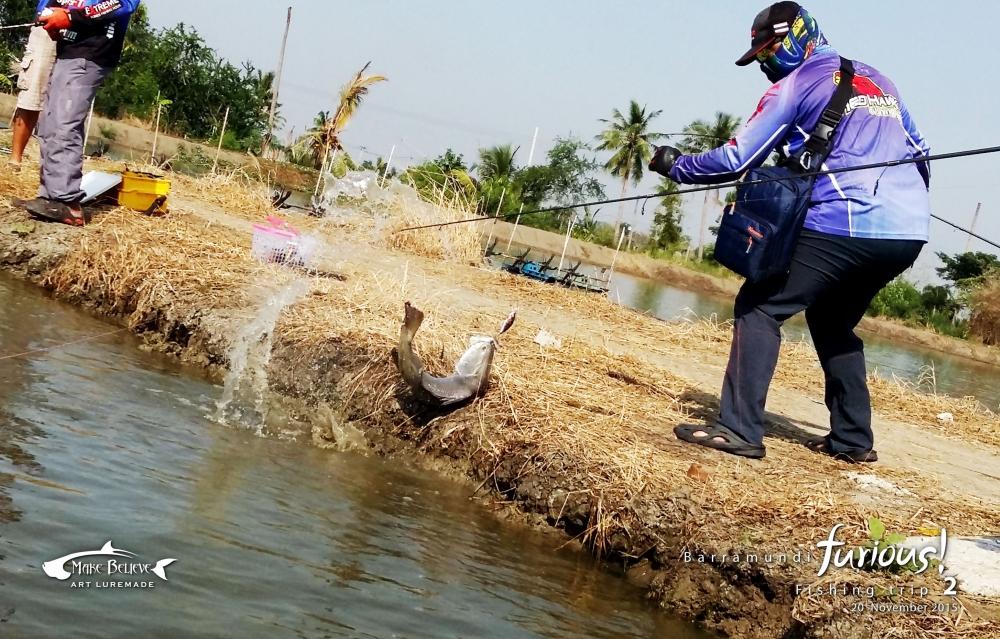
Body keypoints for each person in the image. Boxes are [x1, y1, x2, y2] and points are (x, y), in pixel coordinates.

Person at [648, 2, 931, 462]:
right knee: (832, 318)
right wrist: (901, 208)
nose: (765, 61)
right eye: (760, 55)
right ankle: (853, 440)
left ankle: (737, 429)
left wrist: (675, 165)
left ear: (799, 35)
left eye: (770, 48)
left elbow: (737, 159)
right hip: (908, 231)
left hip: (845, 222)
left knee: (759, 305)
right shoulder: (880, 80)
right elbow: (921, 151)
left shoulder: (795, 84)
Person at [14, 0, 141, 226]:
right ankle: (50, 196)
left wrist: (71, 18)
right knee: (50, 122)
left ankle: (68, 203)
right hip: (70, 49)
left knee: (64, 122)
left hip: (93, 51)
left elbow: (123, 3)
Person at [10, 5, 57, 168]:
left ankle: (51, 167)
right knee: (31, 95)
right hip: (49, 23)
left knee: (66, 107)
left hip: (86, 31)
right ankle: (15, 160)